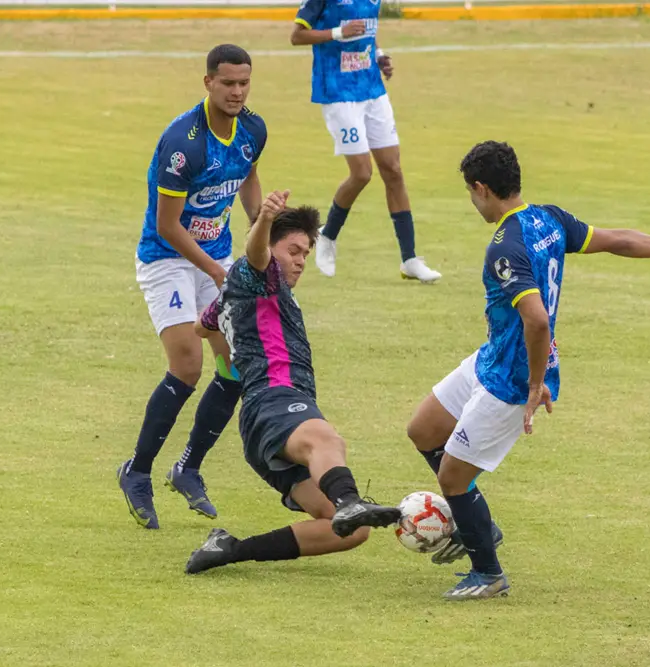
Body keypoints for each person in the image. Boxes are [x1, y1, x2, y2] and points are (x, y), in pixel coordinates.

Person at [406, 141, 650, 600]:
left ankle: (487, 571)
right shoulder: (548, 218)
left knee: (452, 477)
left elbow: (537, 319)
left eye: (471, 194)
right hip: (491, 358)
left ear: (482, 188)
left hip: (512, 379)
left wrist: (534, 384)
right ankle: (479, 525)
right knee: (423, 429)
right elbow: (620, 239)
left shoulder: (505, 248)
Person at [185, 190, 402, 574]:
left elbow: (203, 326)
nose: (301, 261)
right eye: (294, 250)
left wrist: (227, 355)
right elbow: (255, 255)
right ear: (270, 249)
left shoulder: (235, 294)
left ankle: (231, 548)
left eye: (305, 253)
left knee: (349, 531)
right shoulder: (255, 274)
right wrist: (264, 220)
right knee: (326, 439)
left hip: (262, 421)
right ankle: (351, 498)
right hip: (275, 400)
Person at [117, 44, 265, 529]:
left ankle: (189, 467)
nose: (237, 92)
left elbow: (246, 177)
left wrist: (259, 225)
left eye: (244, 82)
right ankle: (137, 472)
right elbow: (168, 225)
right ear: (208, 82)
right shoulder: (185, 142)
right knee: (187, 363)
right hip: (168, 259)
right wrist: (219, 272)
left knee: (237, 365)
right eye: (227, 83)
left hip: (214, 258)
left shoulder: (253, 129)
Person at [291, 0, 442, 283]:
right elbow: (297, 35)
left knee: (393, 171)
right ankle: (327, 235)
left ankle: (409, 259)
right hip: (338, 93)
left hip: (372, 89)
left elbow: (365, 30)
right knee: (361, 173)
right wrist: (338, 32)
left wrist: (378, 55)